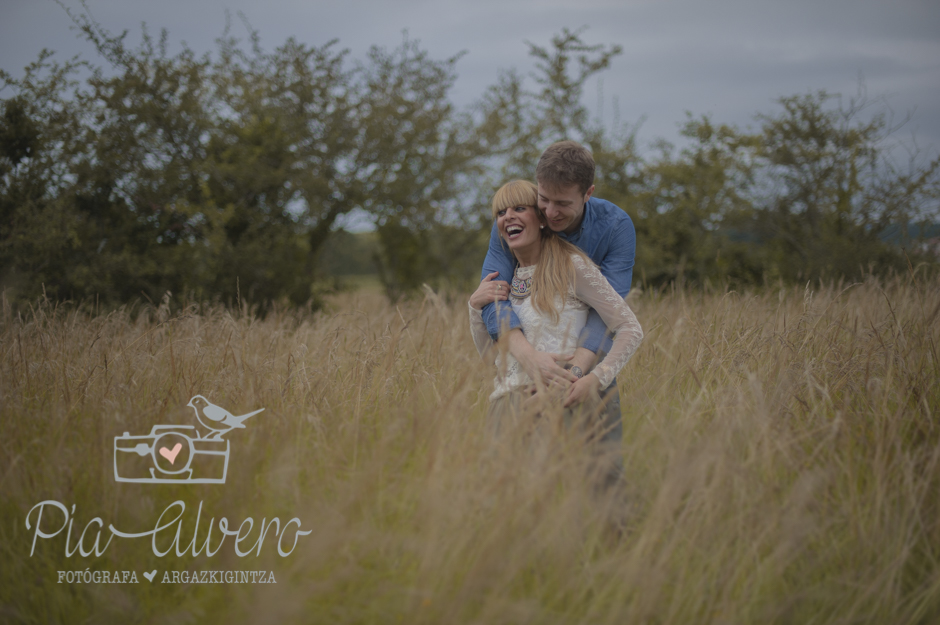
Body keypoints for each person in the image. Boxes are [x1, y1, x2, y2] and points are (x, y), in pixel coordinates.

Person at [477, 141, 637, 478]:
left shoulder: (614, 227)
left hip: (582, 373)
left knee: (602, 479)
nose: (550, 214)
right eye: (544, 200)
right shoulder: (515, 222)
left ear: (587, 194)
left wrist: (573, 376)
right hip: (521, 380)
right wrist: (528, 357)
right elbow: (494, 301)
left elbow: (609, 317)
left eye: (563, 204)